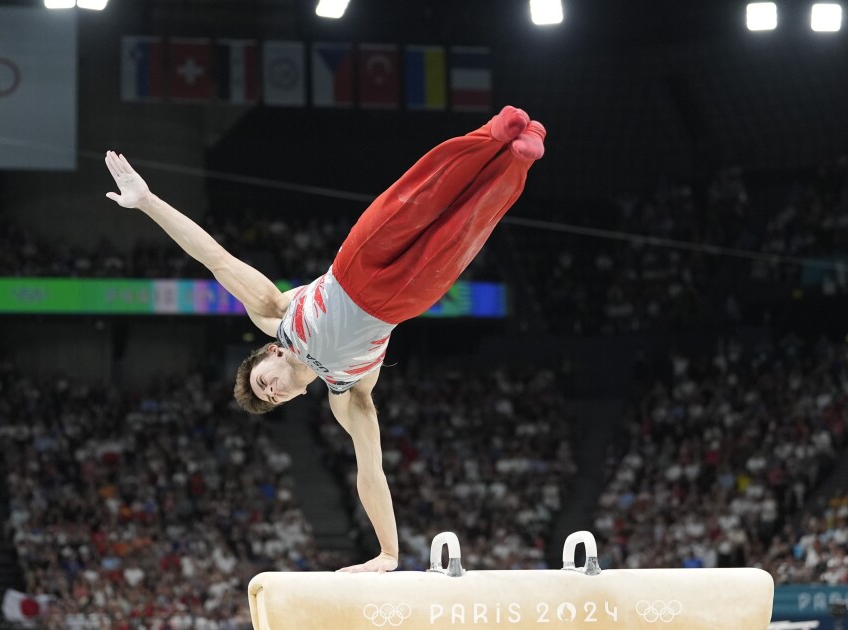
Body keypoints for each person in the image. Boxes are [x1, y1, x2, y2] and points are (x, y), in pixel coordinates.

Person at [104, 105, 546, 573]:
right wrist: (389, 554)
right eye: (271, 399)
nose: (271, 391)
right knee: (466, 227)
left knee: (420, 196)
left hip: (356, 265)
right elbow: (370, 473)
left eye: (261, 382)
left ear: (269, 354)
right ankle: (520, 157)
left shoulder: (276, 317)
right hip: (401, 302)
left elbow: (214, 257)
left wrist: (148, 201)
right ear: (292, 400)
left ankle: (493, 133)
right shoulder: (347, 393)